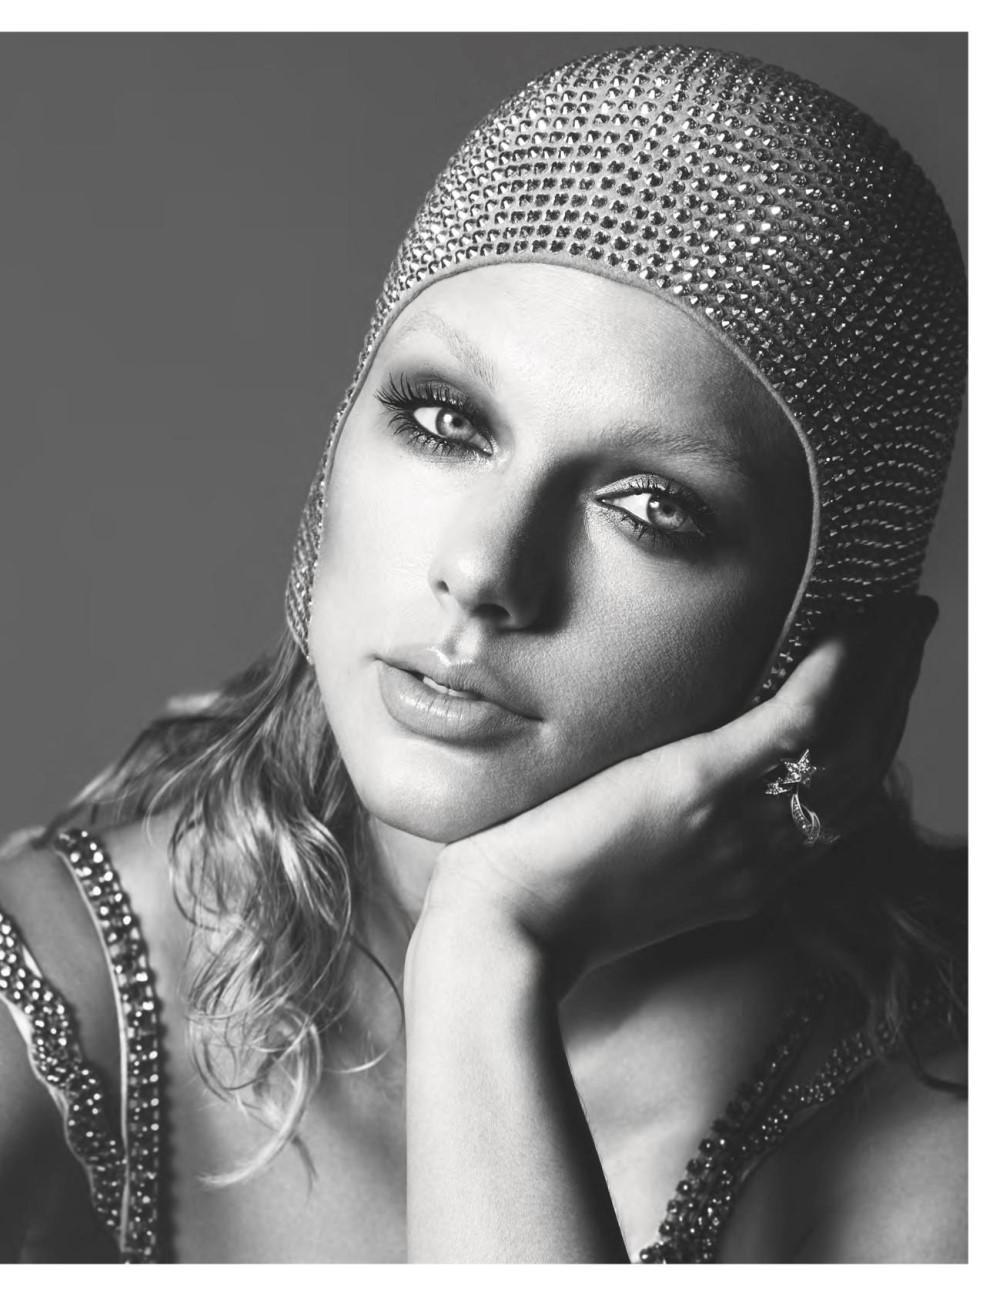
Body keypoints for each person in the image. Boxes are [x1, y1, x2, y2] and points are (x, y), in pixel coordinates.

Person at [0, 42, 967, 1264]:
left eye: (651, 507)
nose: (484, 570)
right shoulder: (56, 997)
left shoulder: (949, 1124)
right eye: (444, 421)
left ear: (851, 661)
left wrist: (484, 953)